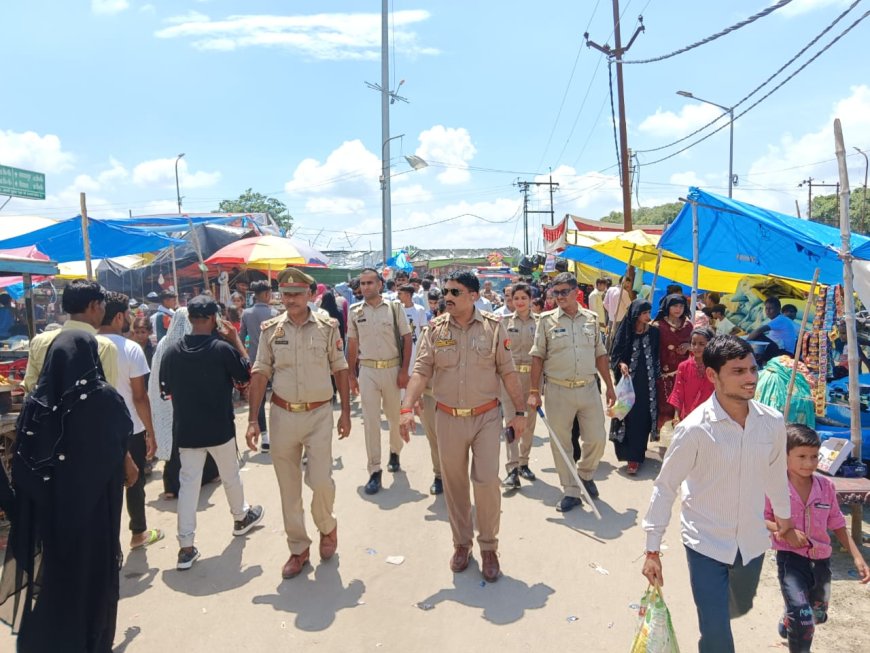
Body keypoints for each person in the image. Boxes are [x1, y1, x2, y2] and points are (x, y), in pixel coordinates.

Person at [642, 335, 800, 653]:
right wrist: (652, 549)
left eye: (753, 369)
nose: (751, 378)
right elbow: (665, 486)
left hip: (752, 543)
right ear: (713, 375)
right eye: (738, 371)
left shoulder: (771, 423)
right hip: (706, 543)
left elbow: (775, 475)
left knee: (737, 608)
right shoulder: (694, 430)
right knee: (716, 633)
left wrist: (785, 519)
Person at [0, 330, 132, 652]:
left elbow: (23, 467)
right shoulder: (106, 399)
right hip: (97, 519)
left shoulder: (37, 404)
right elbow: (120, 451)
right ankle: (94, 641)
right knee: (96, 583)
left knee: (59, 581)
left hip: (54, 521)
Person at [399, 271, 526, 583]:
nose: (448, 297)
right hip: (447, 416)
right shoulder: (437, 329)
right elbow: (422, 369)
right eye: (446, 292)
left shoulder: (494, 329)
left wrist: (519, 412)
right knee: (455, 486)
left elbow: (508, 372)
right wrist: (406, 407)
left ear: (473, 295)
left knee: (486, 483)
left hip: (485, 417)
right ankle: (461, 544)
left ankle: (489, 547)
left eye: (455, 291)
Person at [245, 268, 351, 579]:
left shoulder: (328, 327)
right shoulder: (270, 330)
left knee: (320, 481)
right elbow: (260, 372)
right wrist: (253, 419)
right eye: (285, 294)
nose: (290, 299)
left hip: (319, 415)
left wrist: (345, 411)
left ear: (311, 295)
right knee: (288, 489)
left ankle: (327, 527)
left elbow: (340, 368)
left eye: (296, 293)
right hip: (282, 416)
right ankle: (298, 548)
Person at [159, 295, 264, 570]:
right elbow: (247, 375)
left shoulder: (172, 352)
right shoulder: (221, 349)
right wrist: (236, 341)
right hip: (219, 428)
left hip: (187, 430)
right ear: (213, 319)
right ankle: (241, 518)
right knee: (230, 476)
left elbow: (165, 390)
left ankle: (185, 547)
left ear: (191, 319)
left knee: (188, 485)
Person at [763, 424, 870, 651]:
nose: (809, 463)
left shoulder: (825, 487)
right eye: (801, 456)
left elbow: (838, 523)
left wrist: (857, 556)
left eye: (814, 457)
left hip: (821, 561)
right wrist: (785, 531)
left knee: (817, 615)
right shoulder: (774, 486)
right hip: (790, 560)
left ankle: (787, 620)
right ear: (785, 456)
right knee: (803, 619)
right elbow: (759, 518)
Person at [528, 272, 616, 512]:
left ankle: (585, 474)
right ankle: (571, 490)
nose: (559, 297)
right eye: (555, 293)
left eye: (564, 292)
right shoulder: (546, 321)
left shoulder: (591, 318)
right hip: (558, 389)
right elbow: (537, 356)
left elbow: (600, 354)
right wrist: (534, 391)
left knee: (597, 438)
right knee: (561, 443)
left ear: (576, 292)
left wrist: (609, 386)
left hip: (588, 388)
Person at [98, 292, 163, 551]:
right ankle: (138, 533)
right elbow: (139, 396)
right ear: (118, 316)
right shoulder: (130, 349)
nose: (129, 319)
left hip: (97, 430)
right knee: (134, 483)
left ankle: (106, 542)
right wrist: (151, 431)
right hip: (130, 427)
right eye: (127, 314)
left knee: (104, 486)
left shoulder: (87, 344)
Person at [347, 268, 412, 494]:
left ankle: (395, 452)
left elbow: (406, 338)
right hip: (368, 370)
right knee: (371, 421)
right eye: (362, 284)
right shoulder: (355, 311)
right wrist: (351, 375)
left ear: (380, 285)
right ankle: (374, 470)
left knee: (394, 418)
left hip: (392, 369)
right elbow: (352, 344)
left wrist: (404, 370)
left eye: (370, 283)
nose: (365, 287)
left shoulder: (394, 309)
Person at [148, 308, 219, 498]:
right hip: (187, 403)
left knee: (173, 444)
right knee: (197, 443)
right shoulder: (191, 346)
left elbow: (155, 374)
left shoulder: (164, 344)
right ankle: (204, 477)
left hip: (165, 400)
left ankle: (171, 487)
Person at [23, 279, 118, 393]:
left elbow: (30, 387)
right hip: (87, 411)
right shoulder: (104, 346)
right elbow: (107, 394)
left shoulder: (39, 341)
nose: (104, 310)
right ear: (94, 305)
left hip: (45, 410)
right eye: (103, 305)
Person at [609, 300, 660, 475]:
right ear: (636, 314)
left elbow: (657, 356)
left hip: (648, 384)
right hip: (628, 382)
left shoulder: (654, 332)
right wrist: (621, 364)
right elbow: (615, 355)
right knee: (627, 416)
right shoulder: (625, 332)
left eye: (649, 312)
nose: (648, 316)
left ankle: (636, 456)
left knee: (642, 417)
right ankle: (628, 454)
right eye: (644, 313)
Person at [500, 283, 540, 490]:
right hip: (510, 379)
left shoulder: (541, 323)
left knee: (529, 424)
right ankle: (512, 469)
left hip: (533, 380)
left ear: (531, 299)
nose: (520, 302)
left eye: (524, 298)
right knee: (511, 422)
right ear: (511, 300)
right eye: (516, 298)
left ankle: (524, 462)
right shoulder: (503, 323)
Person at [240, 280, 278, 451]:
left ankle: (265, 437)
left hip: (255, 361)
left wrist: (246, 357)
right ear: (266, 294)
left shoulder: (246, 314)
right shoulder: (274, 313)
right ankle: (280, 433)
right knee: (279, 397)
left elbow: (241, 339)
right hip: (276, 361)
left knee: (259, 400)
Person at [653, 293, 693, 431]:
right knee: (661, 405)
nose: (678, 309)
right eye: (675, 306)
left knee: (681, 408)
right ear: (668, 307)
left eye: (681, 306)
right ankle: (656, 430)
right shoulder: (658, 326)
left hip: (682, 374)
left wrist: (689, 347)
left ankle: (679, 437)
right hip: (662, 375)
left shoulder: (688, 326)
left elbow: (698, 344)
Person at [668, 326, 716, 425]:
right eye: (693, 343)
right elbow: (678, 393)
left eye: (701, 344)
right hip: (687, 418)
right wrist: (676, 417)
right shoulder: (683, 367)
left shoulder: (716, 368)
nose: (696, 347)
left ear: (710, 345)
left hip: (710, 419)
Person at [397, 284, 427, 362]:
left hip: (416, 348)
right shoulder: (398, 310)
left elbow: (423, 330)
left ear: (407, 295)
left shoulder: (420, 309)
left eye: (400, 294)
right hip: (401, 348)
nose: (398, 296)